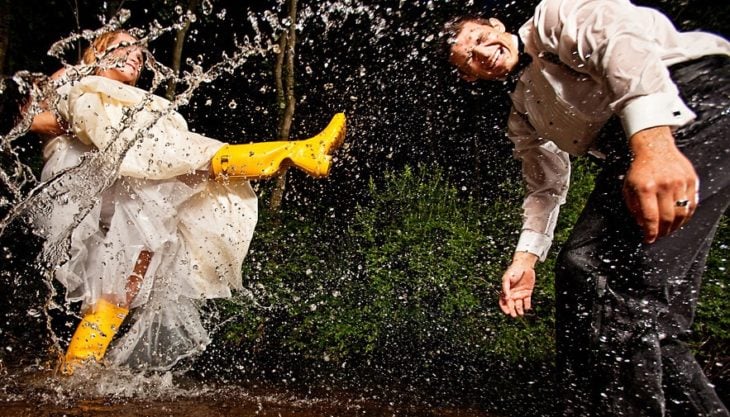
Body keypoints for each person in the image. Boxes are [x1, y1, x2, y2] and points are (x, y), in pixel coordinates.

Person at [445, 1, 729, 415]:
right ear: (470, 76)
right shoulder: (524, 112)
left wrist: (654, 145)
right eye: (469, 57)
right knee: (593, 280)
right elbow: (545, 186)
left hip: (694, 103)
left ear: (495, 23)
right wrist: (526, 259)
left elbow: (620, 42)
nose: (482, 52)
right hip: (631, 150)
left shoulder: (553, 17)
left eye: (478, 37)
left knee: (615, 289)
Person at [28, 30, 346, 374]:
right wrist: (72, 123)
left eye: (140, 53)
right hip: (85, 181)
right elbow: (27, 118)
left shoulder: (134, 101)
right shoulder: (75, 77)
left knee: (124, 284)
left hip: (132, 191)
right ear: (99, 51)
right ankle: (293, 150)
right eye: (125, 47)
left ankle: (76, 370)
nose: (137, 56)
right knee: (179, 157)